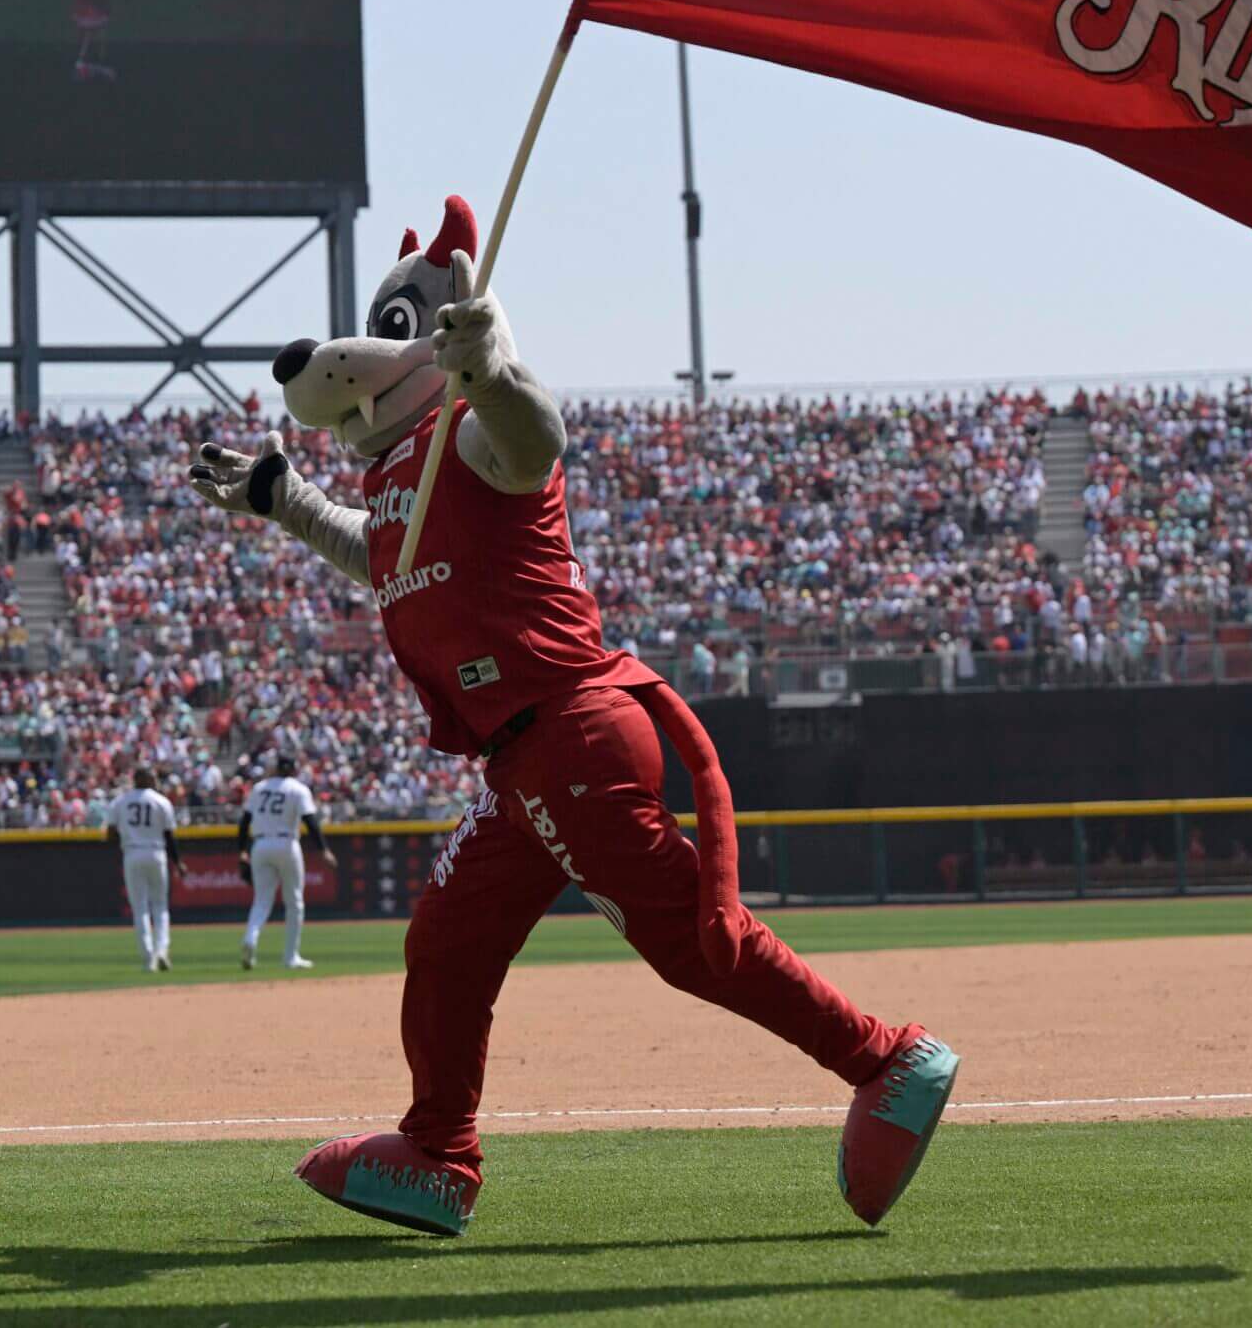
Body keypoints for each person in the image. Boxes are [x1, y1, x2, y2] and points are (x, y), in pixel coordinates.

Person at [186, 193, 952, 1236]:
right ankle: (437, 1155)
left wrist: (492, 368)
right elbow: (378, 552)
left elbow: (537, 440)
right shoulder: (402, 472)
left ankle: (883, 1059)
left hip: (572, 730)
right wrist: (280, 500)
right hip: (526, 760)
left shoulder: (468, 431)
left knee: (691, 942)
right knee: (449, 938)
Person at [239, 754, 332, 970]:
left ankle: (250, 939)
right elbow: (311, 822)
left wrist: (241, 850)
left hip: (260, 845)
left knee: (261, 901)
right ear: (292, 769)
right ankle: (291, 956)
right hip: (286, 844)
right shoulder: (298, 789)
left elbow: (244, 822)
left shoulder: (259, 788)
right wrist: (323, 850)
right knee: (295, 902)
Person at [103, 764, 181, 972]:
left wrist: (126, 838)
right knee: (161, 906)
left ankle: (148, 958)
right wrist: (179, 863)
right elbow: (170, 837)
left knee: (140, 909)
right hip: (156, 853)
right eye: (153, 776)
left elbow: (109, 834)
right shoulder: (161, 801)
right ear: (146, 779)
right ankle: (162, 950)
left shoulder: (121, 801)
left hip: (132, 853)